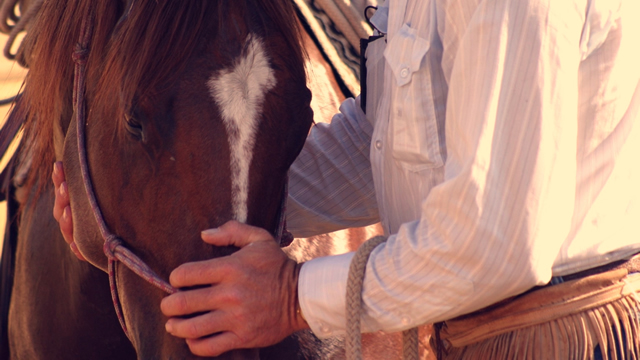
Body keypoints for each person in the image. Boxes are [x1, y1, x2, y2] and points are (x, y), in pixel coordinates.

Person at [53, 0, 640, 358]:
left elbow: (492, 243)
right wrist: (159, 203)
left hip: (558, 339)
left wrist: (291, 297)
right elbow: (389, 139)